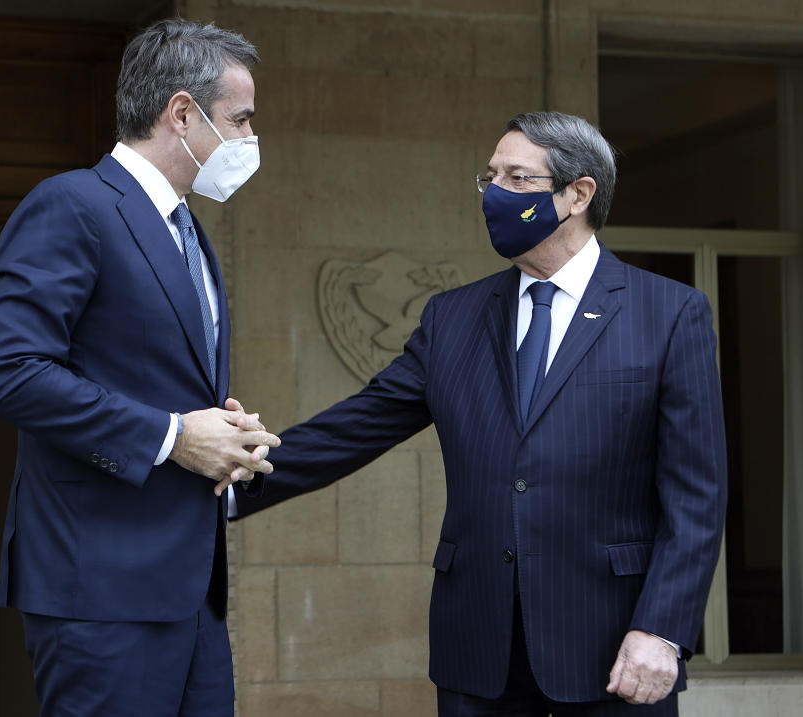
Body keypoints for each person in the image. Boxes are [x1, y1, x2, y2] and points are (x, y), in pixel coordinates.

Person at [231, 111, 727, 716]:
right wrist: (237, 473)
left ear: (577, 194)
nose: (494, 194)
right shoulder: (453, 318)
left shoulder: (669, 313)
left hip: (616, 649)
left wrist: (663, 628)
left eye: (517, 179)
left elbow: (696, 496)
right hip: (480, 650)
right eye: (488, 177)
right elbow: (361, 424)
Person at [0, 18, 279, 717]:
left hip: (192, 591)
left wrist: (224, 432)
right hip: (101, 588)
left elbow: (155, 378)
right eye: (240, 120)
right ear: (182, 113)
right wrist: (175, 436)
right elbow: (9, 371)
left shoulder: (189, 227)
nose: (249, 140)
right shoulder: (72, 205)